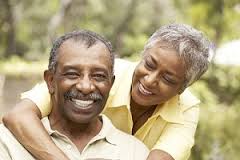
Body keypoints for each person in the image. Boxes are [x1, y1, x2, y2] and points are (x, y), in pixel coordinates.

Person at [3, 23, 211, 160]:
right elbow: (19, 116)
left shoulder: (186, 109)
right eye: (149, 64)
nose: (150, 80)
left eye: (167, 79)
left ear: (181, 89)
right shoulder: (98, 71)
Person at [0, 30, 149, 160]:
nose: (85, 87)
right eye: (72, 74)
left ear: (111, 84)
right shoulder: (7, 142)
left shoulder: (135, 152)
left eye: (98, 76)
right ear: (50, 81)